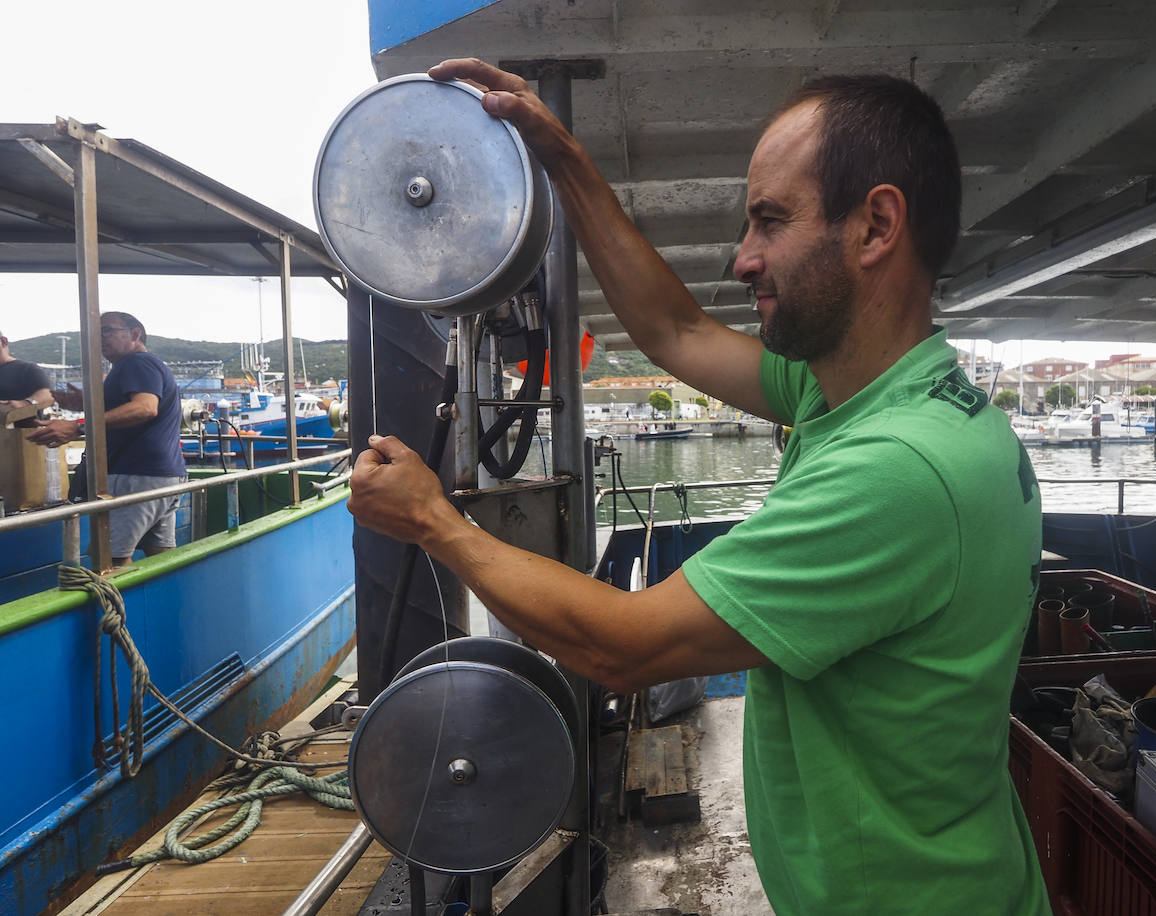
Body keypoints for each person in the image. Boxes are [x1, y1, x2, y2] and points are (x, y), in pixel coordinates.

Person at [347, 59, 1048, 915]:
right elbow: (676, 330)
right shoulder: (866, 391)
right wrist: (563, 159)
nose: (744, 258)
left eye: (769, 221)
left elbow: (624, 646)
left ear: (875, 227)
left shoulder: (898, 469)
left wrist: (434, 522)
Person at [28, 312, 188, 566]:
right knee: (160, 556)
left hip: (136, 476)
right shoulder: (139, 367)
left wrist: (78, 426)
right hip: (162, 476)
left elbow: (145, 408)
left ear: (135, 334)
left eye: (107, 331)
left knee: (109, 560)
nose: (99, 338)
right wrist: (86, 405)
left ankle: (115, 607)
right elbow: (129, 409)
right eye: (95, 333)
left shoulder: (137, 363)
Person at [0, 329, 55, 412]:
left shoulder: (27, 369)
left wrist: (24, 404)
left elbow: (48, 396)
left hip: (20, 424)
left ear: (4, 342)